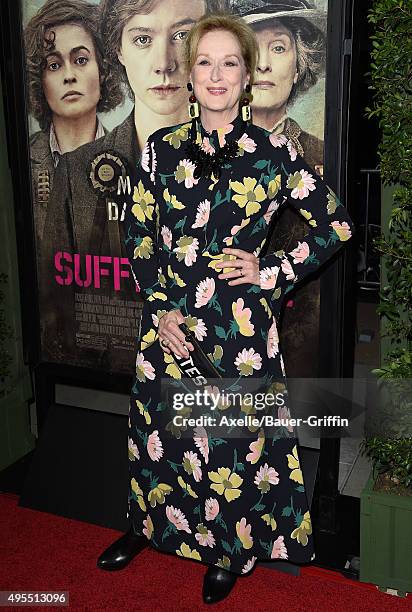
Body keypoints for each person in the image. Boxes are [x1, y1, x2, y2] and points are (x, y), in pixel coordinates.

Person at [99, 12, 355, 605]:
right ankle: (150, 527)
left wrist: (272, 271)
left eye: (230, 63)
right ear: (191, 77)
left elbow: (337, 225)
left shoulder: (274, 154)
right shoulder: (161, 150)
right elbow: (140, 233)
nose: (217, 75)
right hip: (167, 324)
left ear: (247, 76)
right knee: (158, 432)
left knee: (229, 446)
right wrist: (160, 310)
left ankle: (226, 547)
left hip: (237, 330)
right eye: (205, 63)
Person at [39, 0, 228, 372]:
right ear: (118, 50)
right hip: (118, 378)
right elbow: (56, 311)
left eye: (183, 35)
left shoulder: (248, 165)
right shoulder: (77, 171)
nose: (164, 62)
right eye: (143, 38)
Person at [236, 0, 327, 379]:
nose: (264, 65)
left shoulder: (319, 154)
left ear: (299, 62)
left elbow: (336, 230)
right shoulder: (205, 150)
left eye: (278, 47)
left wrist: (272, 270)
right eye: (252, 50)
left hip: (296, 337)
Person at [24, 0, 122, 242]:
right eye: (54, 65)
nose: (69, 76)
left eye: (80, 60)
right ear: (39, 78)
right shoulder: (23, 158)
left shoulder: (133, 156)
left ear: (102, 68)